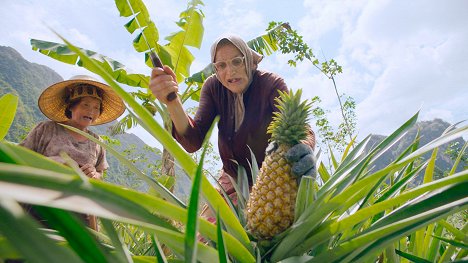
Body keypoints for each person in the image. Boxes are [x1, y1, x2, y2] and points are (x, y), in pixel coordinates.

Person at [149, 34, 316, 206]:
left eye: (237, 61)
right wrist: (172, 100)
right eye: (221, 65)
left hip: (273, 177)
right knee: (207, 232)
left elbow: (298, 126)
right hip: (231, 178)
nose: (230, 71)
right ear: (216, 70)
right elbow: (193, 141)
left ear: (251, 63)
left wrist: (304, 146)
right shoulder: (213, 87)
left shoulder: (271, 84)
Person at [20, 75, 126, 230]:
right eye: (85, 105)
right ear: (71, 106)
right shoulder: (46, 129)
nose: (91, 111)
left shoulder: (97, 142)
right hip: (39, 207)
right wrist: (53, 162)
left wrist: (94, 175)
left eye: (96, 107)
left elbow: (100, 176)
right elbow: (19, 158)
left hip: (78, 216)